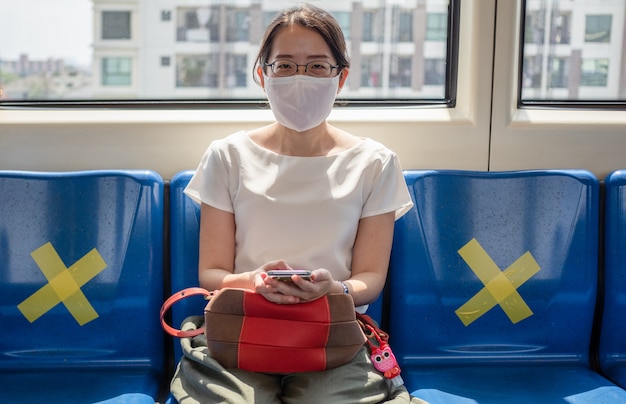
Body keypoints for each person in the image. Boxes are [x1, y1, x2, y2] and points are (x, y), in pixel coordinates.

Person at [171, 4, 424, 403]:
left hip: (332, 332)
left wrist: (333, 287)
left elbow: (370, 279)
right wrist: (253, 281)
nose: (300, 78)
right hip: (241, 324)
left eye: (318, 66)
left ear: (341, 78)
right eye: (285, 66)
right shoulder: (227, 156)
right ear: (262, 74)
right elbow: (212, 273)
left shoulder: (375, 163)